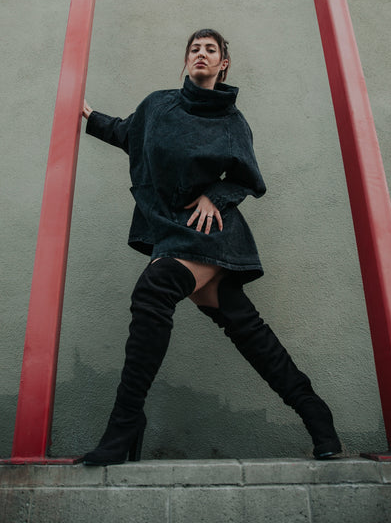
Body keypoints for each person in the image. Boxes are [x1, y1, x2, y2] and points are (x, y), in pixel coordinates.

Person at [82, 28, 342, 465]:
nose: (201, 54)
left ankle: (125, 423)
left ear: (223, 64)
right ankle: (317, 414)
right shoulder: (158, 105)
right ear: (186, 59)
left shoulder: (231, 122)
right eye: (194, 48)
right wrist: (88, 116)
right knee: (250, 334)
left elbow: (247, 178)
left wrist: (214, 196)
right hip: (172, 231)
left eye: (210, 49)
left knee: (154, 290)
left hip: (210, 233)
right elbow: (129, 133)